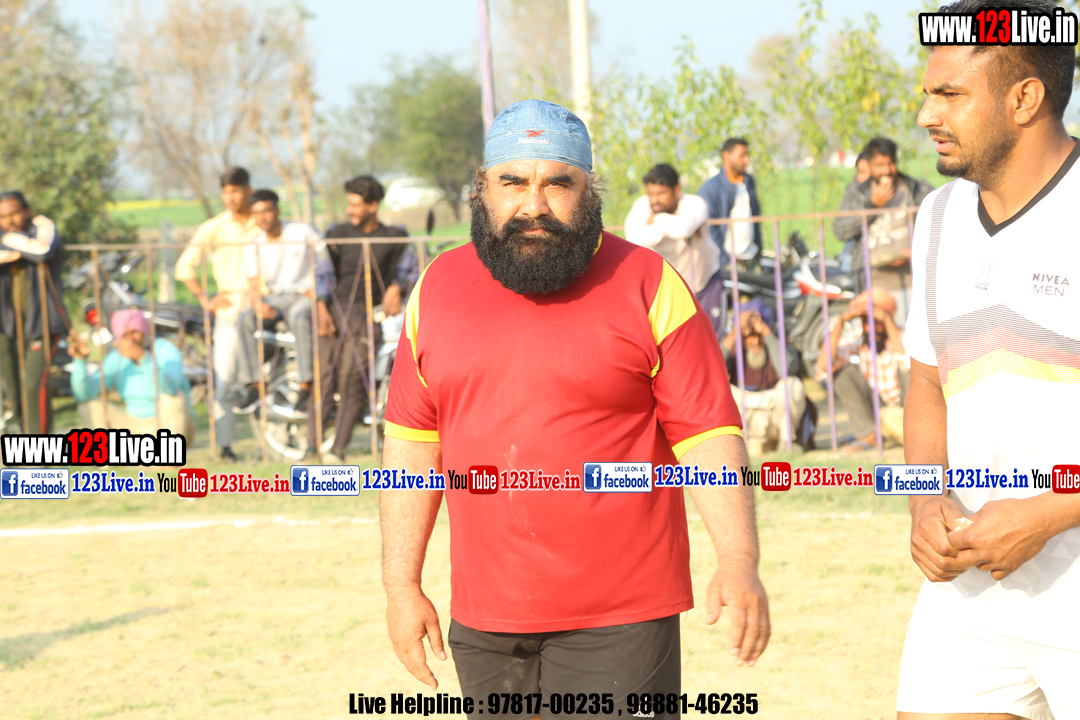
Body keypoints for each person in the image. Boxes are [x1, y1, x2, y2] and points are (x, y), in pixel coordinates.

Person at [380, 99, 769, 713]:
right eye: (512, 182)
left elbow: (708, 436)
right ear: (482, 190)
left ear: (590, 192)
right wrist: (401, 584)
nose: (533, 205)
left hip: (622, 619)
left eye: (557, 184)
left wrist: (739, 559)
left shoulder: (650, 283)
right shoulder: (436, 288)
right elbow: (412, 444)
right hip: (484, 623)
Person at [899, 1, 1080, 717]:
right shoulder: (937, 216)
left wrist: (1051, 513)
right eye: (928, 94)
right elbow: (926, 382)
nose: (927, 115)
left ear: (1025, 98)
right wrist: (924, 501)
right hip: (974, 586)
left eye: (950, 94)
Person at [315, 175, 412, 462]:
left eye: (355, 205)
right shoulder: (337, 234)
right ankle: (310, 447)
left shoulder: (394, 236)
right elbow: (322, 273)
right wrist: (321, 306)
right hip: (334, 311)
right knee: (324, 377)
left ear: (372, 206)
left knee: (352, 377)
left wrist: (397, 286)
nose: (349, 210)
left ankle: (338, 449)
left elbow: (410, 270)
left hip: (368, 314)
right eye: (348, 204)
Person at [174, 167, 260, 462]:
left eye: (236, 191)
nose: (230, 197)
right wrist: (205, 298)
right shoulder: (215, 227)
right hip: (231, 312)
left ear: (248, 190)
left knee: (265, 379)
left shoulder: (263, 220)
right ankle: (225, 447)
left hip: (266, 310)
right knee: (225, 378)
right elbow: (185, 267)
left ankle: (276, 444)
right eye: (225, 192)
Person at [237, 189, 335, 413]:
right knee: (244, 318)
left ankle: (306, 385)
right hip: (276, 297)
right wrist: (256, 302)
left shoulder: (302, 231)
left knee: (299, 317)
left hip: (304, 294)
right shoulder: (254, 244)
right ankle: (255, 385)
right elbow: (252, 282)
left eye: (267, 211)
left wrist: (318, 289)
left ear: (277, 210)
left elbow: (325, 263)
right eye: (257, 213)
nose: (262, 217)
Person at [833, 137, 935, 324]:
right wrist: (872, 206)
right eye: (880, 165)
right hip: (872, 283)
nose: (887, 171)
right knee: (877, 337)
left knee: (910, 338)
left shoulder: (917, 190)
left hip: (913, 282)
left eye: (890, 163)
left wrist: (918, 252)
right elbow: (840, 230)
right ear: (869, 165)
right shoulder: (857, 193)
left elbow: (939, 226)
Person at [625, 163, 725, 339]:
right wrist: (669, 227)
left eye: (661, 193)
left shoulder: (694, 203)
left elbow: (683, 229)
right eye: (651, 194)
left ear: (677, 190)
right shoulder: (641, 206)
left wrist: (657, 219)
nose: (654, 200)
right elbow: (634, 238)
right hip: (670, 294)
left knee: (714, 343)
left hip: (706, 286)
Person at [68, 309, 196, 438]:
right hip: (134, 424)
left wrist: (143, 357)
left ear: (144, 331)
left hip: (173, 424)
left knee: (174, 398)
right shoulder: (116, 358)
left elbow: (170, 389)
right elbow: (84, 396)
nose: (130, 339)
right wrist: (79, 362)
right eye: (125, 335)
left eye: (135, 332)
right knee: (89, 405)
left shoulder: (165, 349)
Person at [0, 191, 66, 434]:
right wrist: (19, 249)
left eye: (15, 213)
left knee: (33, 386)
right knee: (13, 388)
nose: (10, 220)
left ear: (27, 210)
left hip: (43, 323)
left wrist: (8, 240)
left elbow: (41, 250)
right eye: (3, 217)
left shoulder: (42, 225)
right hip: (6, 325)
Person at [816, 288, 908, 450]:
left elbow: (906, 361)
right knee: (843, 373)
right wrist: (840, 322)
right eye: (866, 321)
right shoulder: (862, 337)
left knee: (907, 370)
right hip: (879, 409)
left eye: (876, 321)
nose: (871, 328)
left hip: (906, 410)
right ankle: (869, 435)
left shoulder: (902, 334)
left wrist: (886, 319)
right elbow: (823, 367)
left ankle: (898, 434)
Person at [720, 298, 809, 455]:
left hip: (776, 418)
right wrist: (735, 332)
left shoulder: (780, 342)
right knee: (720, 389)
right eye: (750, 336)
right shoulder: (735, 346)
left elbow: (786, 370)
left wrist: (766, 332)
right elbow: (711, 371)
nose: (755, 341)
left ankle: (786, 444)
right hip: (745, 418)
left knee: (793, 385)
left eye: (758, 335)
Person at [698, 138, 762, 268]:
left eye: (747, 155)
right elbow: (710, 229)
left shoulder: (748, 182)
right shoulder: (711, 188)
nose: (746, 160)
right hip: (729, 263)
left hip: (752, 256)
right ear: (726, 156)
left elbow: (756, 217)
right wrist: (725, 260)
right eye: (741, 156)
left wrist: (759, 249)